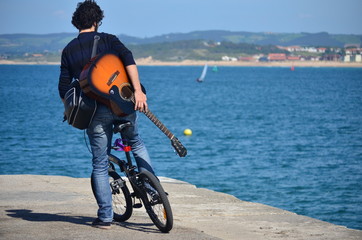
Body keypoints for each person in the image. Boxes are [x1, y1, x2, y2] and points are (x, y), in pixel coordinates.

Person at [58, 0, 154, 229]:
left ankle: (105, 218)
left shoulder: (69, 50)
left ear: (76, 23)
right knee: (136, 143)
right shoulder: (109, 39)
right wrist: (138, 92)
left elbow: (63, 88)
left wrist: (70, 109)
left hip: (94, 114)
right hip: (123, 104)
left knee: (100, 164)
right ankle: (152, 192)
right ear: (96, 21)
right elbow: (128, 59)